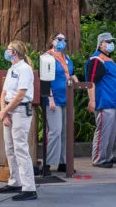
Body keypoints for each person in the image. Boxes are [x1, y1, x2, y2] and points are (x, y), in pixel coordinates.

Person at [0, 41, 38, 201]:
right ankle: (15, 181)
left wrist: (5, 111)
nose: (6, 52)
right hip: (9, 110)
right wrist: (4, 111)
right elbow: (4, 92)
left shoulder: (25, 69)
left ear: (15, 52)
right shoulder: (11, 69)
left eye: (9, 50)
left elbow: (21, 94)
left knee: (20, 148)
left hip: (20, 110)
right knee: (10, 148)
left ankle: (29, 187)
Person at [86, 32, 116, 168]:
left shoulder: (106, 59)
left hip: (112, 102)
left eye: (111, 41)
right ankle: (99, 159)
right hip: (104, 101)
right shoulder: (97, 59)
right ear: (100, 44)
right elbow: (91, 81)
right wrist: (92, 100)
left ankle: (108, 155)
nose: (110, 44)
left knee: (111, 132)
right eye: (107, 42)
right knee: (103, 131)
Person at [44, 33, 78, 175]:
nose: (62, 42)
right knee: (55, 131)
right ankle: (49, 163)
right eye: (59, 39)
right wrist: (50, 98)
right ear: (52, 41)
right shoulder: (47, 57)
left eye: (64, 39)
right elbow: (45, 80)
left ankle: (63, 162)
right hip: (54, 99)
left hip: (67, 98)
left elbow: (71, 74)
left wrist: (77, 81)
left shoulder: (66, 57)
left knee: (66, 132)